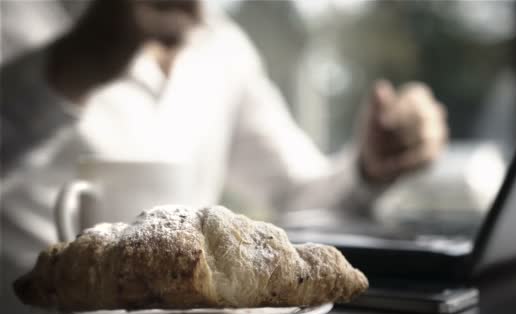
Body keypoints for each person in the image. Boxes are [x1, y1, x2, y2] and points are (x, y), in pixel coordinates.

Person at [1, 0, 448, 270]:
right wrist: (68, 69)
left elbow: (297, 193)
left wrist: (369, 167)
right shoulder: (15, 17)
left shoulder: (222, 46)